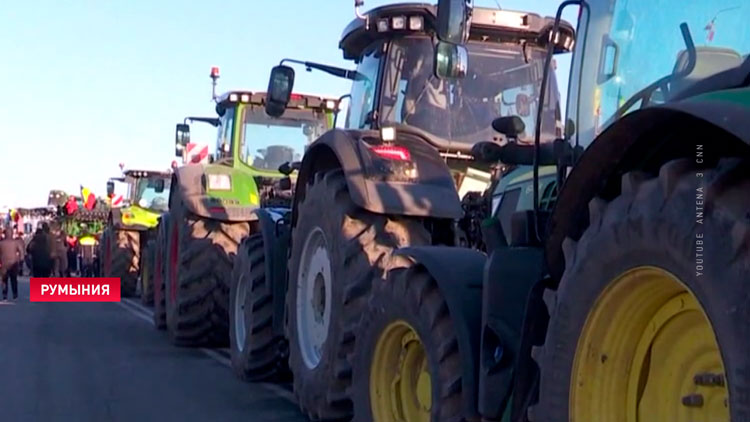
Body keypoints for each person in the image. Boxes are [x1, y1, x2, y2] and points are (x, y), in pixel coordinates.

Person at [0, 226, 24, 300]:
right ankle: (15, 294)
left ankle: (4, 294)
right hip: (14, 263)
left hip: (3, 263)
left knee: (4, 280)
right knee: (13, 279)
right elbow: (21, 252)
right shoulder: (15, 243)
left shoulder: (1, 243)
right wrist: (20, 261)